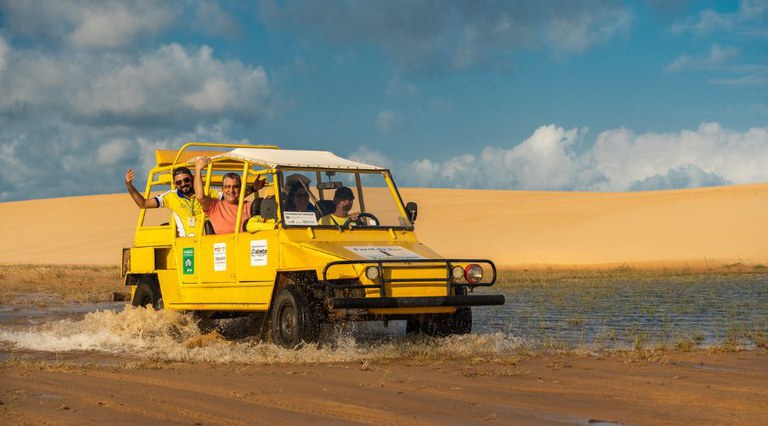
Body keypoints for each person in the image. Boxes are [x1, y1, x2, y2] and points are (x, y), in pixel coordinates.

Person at [125, 167, 219, 237]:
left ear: (192, 179)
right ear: (175, 184)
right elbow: (143, 204)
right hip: (186, 244)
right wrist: (129, 185)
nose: (183, 184)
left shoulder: (207, 192)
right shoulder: (170, 196)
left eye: (186, 180)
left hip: (210, 240)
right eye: (179, 182)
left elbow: (229, 199)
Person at [194, 157, 264, 234]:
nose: (231, 190)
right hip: (223, 244)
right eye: (227, 186)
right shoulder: (215, 206)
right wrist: (198, 169)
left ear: (240, 189)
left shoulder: (248, 206)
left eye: (235, 187)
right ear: (222, 189)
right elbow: (200, 197)